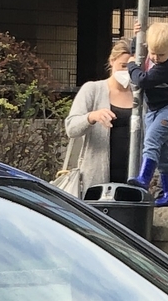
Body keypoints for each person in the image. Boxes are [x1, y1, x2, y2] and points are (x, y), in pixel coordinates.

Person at [58, 44, 136, 196]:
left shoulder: (140, 94)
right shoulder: (93, 89)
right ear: (112, 61)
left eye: (132, 67)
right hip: (97, 180)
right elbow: (71, 128)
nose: (126, 72)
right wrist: (91, 117)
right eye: (123, 66)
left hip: (132, 179)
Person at [126, 22, 168, 206]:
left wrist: (130, 65)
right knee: (163, 156)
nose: (156, 58)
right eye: (153, 53)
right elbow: (141, 52)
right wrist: (138, 37)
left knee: (151, 141)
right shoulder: (156, 53)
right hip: (153, 109)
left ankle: (144, 179)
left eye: (161, 54)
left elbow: (143, 80)